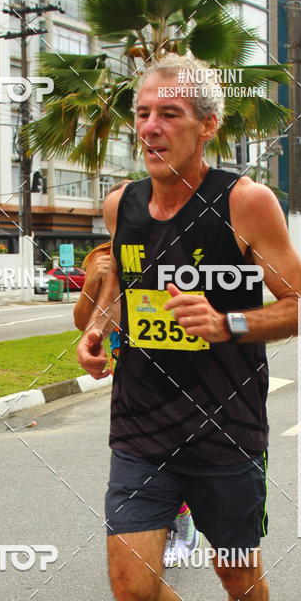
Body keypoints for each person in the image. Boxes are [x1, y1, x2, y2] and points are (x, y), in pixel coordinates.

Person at [78, 54, 301, 601]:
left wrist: (227, 322)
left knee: (239, 577)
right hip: (142, 426)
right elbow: (121, 291)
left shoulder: (245, 202)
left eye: (169, 114)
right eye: (142, 113)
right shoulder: (121, 205)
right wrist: (98, 329)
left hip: (226, 430)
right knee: (132, 589)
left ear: (207, 125)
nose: (150, 127)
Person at [74, 231, 201, 568]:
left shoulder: (177, 244)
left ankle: (182, 520)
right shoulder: (103, 256)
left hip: (185, 365)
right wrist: (92, 281)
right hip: (132, 371)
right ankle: (173, 524)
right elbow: (83, 322)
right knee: (145, 455)